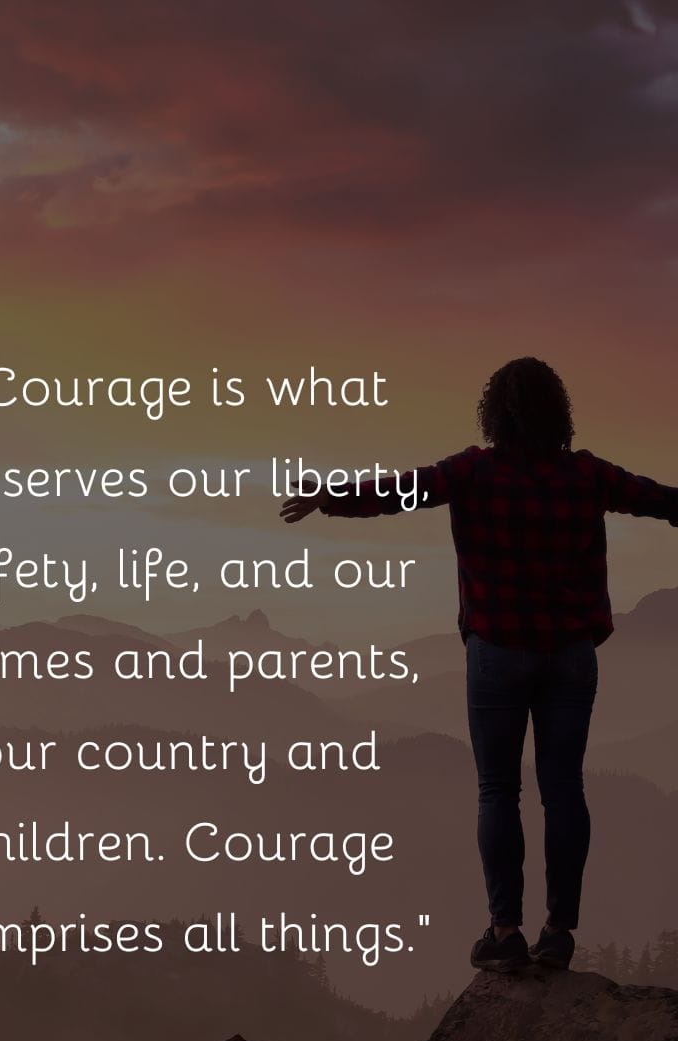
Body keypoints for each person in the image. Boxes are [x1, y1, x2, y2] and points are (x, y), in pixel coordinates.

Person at [281, 357, 678, 972]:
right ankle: (559, 933)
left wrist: (326, 498)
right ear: (559, 413)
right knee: (563, 789)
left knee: (499, 790)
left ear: (495, 414)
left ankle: (505, 931)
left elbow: (397, 492)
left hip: (497, 654)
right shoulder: (588, 476)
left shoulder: (474, 472)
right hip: (570, 656)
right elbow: (660, 501)